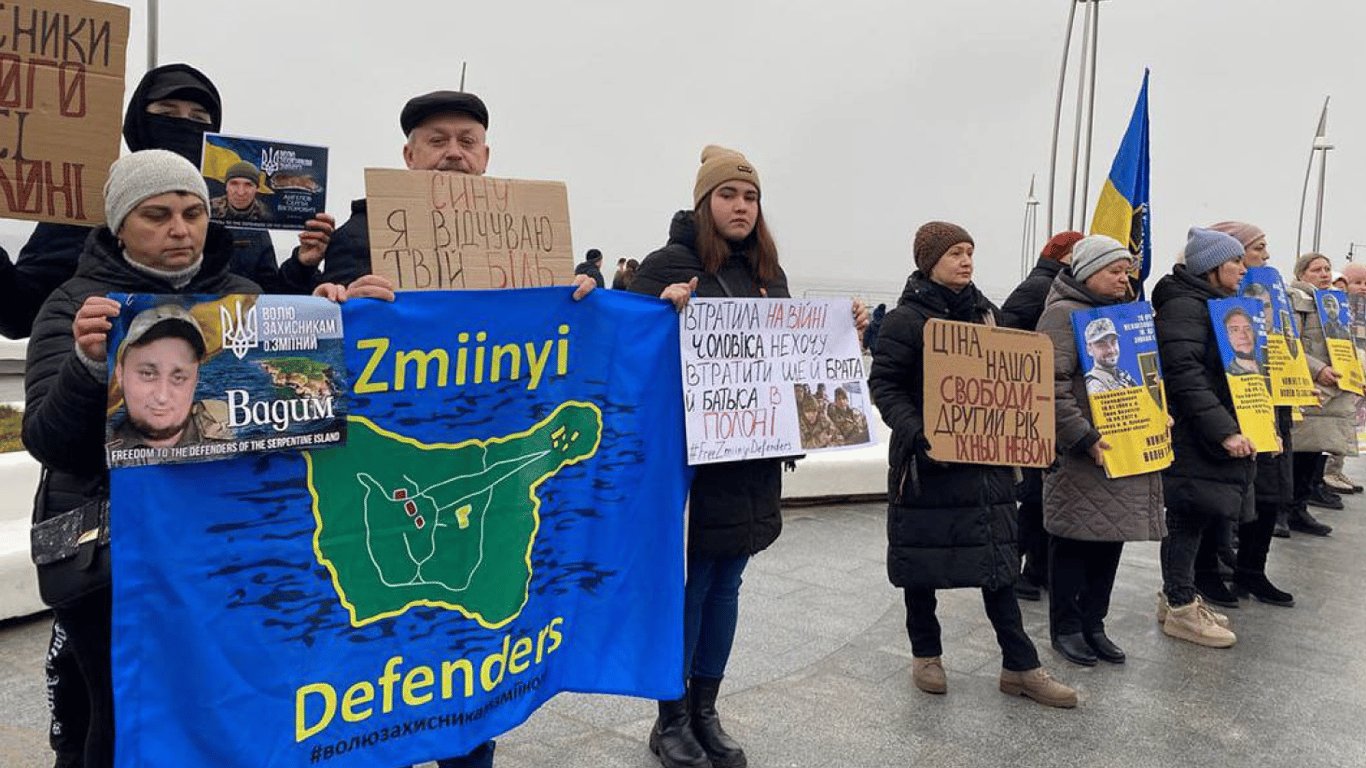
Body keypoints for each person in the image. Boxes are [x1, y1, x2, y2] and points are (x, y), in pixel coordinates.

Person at [21, 149, 387, 768]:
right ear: (118, 226)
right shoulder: (75, 305)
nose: (180, 229)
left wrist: (333, 316)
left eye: (192, 212)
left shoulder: (245, 295)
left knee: (229, 707)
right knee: (122, 720)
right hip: (115, 562)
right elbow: (49, 444)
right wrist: (89, 368)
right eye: (157, 214)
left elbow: (297, 412)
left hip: (226, 552)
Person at [630, 145, 867, 768]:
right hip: (691, 465)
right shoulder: (668, 265)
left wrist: (843, 333)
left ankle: (706, 710)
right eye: (729, 195)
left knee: (727, 583)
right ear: (705, 202)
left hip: (753, 460)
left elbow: (790, 360)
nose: (741, 206)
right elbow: (633, 355)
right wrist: (661, 314)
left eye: (751, 197)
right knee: (692, 585)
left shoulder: (769, 273)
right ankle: (670, 717)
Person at [869, 220, 1076, 707]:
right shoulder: (905, 321)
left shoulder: (988, 315)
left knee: (998, 567)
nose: (966, 261)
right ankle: (926, 654)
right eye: (955, 253)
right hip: (926, 465)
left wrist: (1036, 435)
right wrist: (918, 430)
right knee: (921, 565)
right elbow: (885, 387)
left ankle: (1020, 666)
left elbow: (1017, 384)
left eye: (969, 252)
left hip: (985, 470)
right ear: (929, 261)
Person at [0, 64, 330, 342]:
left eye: (199, 118)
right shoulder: (89, 205)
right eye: (167, 113)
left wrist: (302, 266)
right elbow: (18, 314)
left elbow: (267, 310)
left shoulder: (239, 214)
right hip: (101, 401)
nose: (184, 124)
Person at [1037, 235, 1165, 666]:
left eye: (1125, 271)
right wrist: (1084, 437)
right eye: (1114, 270)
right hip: (1082, 456)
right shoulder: (1061, 316)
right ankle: (1067, 628)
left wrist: (1156, 414)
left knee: (1109, 539)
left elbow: (1140, 378)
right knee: (1073, 541)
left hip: (1122, 447)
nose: (1122, 278)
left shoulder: (1121, 318)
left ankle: (1095, 623)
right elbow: (1049, 388)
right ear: (1089, 271)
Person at [1151, 227, 1252, 648]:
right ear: (1213, 268)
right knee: (1186, 517)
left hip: (1207, 431)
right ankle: (1179, 606)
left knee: (1194, 515)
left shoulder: (1213, 304)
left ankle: (1178, 595)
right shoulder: (1185, 307)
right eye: (1237, 262)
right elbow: (1186, 377)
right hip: (1196, 434)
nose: (1244, 270)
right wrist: (1224, 430)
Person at [1208, 221, 1295, 606]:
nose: (1265, 256)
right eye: (1258, 248)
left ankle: (1252, 572)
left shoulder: (1267, 300)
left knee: (1272, 491)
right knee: (1230, 498)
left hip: (1269, 402)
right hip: (1235, 409)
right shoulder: (1216, 303)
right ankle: (1211, 571)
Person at [1000, 229, 1082, 600]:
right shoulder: (1040, 289)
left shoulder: (1048, 285)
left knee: (1040, 495)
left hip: (1042, 405)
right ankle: (1011, 569)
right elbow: (1006, 340)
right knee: (1033, 497)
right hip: (1032, 404)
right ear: (1068, 257)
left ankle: (1035, 569)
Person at [106, 305, 228, 451]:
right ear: (120, 374)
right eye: (147, 374)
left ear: (195, 380)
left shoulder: (225, 434)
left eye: (179, 378)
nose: (162, 396)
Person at [1286, 253, 1345, 531]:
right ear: (1301, 274)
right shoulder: (1295, 300)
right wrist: (1318, 369)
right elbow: (1291, 344)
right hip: (1307, 384)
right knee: (1296, 453)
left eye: (1328, 269)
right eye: (1317, 269)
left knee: (1314, 452)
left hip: (1331, 388)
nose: (1324, 274)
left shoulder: (1333, 304)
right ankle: (1284, 509)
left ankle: (1299, 507)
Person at [1083, 318, 1140, 392]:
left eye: (1113, 342)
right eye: (1102, 345)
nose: (1111, 350)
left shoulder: (1123, 377)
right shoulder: (1095, 385)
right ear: (1089, 350)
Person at [1222, 307, 1263, 376]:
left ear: (1254, 333)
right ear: (1228, 337)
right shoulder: (1227, 376)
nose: (1243, 336)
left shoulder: (1268, 368)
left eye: (1247, 329)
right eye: (1235, 330)